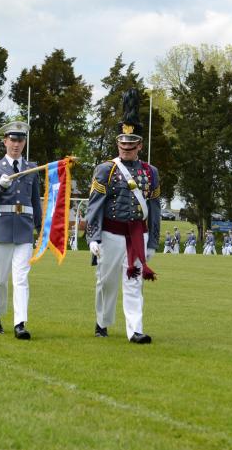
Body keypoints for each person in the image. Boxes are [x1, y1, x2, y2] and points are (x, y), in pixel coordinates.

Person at [86, 89, 160, 344]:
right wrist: (93, 237)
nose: (126, 149)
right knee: (106, 283)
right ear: (118, 144)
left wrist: (152, 242)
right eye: (122, 145)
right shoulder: (106, 169)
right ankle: (102, 321)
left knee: (134, 283)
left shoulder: (151, 173)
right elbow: (94, 206)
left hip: (138, 234)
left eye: (131, 145)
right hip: (110, 233)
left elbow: (155, 209)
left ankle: (135, 330)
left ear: (140, 145)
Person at [0, 121, 42, 340]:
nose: (16, 144)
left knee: (21, 278)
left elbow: (35, 201)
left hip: (25, 230)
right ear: (5, 141)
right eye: (13, 140)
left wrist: (39, 229)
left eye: (20, 140)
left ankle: (20, 323)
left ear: (24, 142)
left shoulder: (31, 168)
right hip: (2, 229)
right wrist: (0, 186)